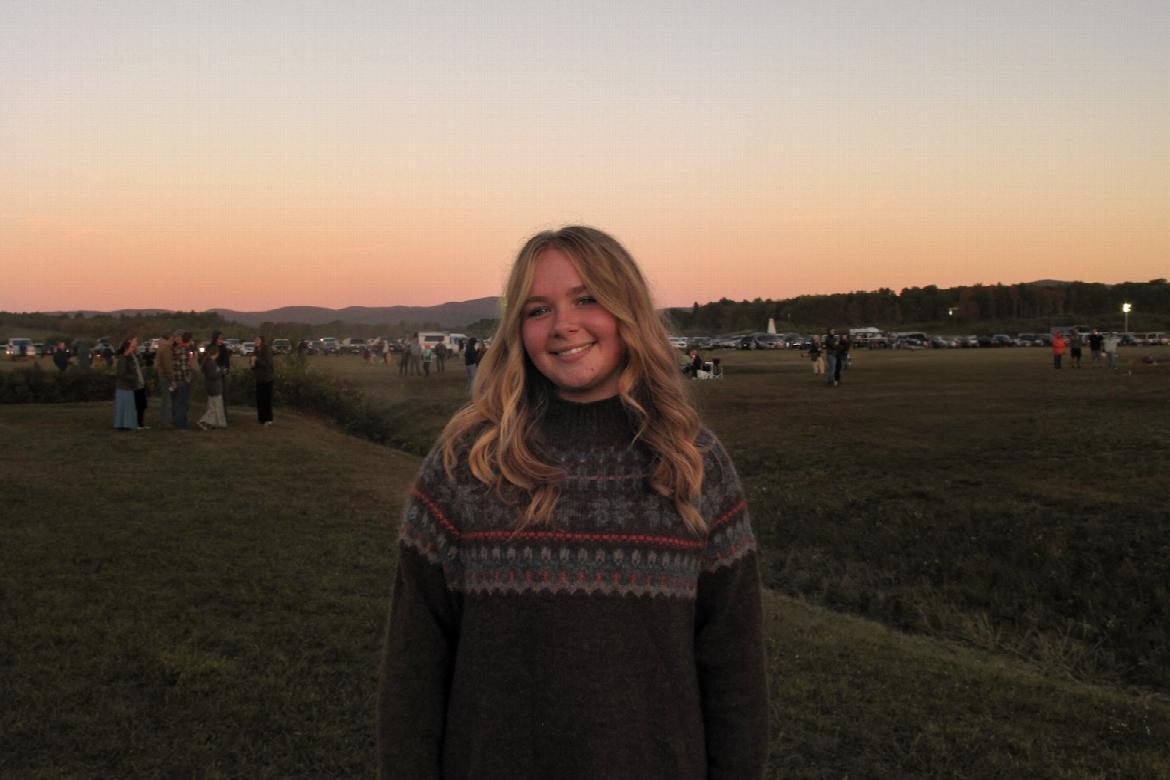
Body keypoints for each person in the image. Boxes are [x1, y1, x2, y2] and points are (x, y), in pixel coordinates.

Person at [377, 226, 767, 778]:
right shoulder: (467, 463)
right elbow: (413, 670)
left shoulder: (694, 463)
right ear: (518, 330)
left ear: (628, 309)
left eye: (587, 299)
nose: (563, 324)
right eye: (538, 310)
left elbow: (735, 669)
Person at [113, 338, 143, 431]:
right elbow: (121, 374)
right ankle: (123, 424)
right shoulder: (123, 359)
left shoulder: (128, 358)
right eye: (131, 347)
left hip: (127, 386)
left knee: (127, 406)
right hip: (124, 387)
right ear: (126, 348)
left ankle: (125, 424)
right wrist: (132, 377)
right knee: (124, 406)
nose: (133, 349)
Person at [197, 346, 227, 430]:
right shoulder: (210, 363)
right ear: (216, 353)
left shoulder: (208, 362)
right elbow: (213, 375)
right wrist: (221, 372)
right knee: (214, 407)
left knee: (213, 406)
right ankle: (204, 421)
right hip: (214, 387)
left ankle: (214, 423)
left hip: (211, 387)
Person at [173, 331, 196, 428]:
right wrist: (188, 378)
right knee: (182, 402)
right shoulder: (183, 350)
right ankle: (181, 423)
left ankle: (179, 421)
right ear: (189, 340)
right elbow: (184, 367)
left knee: (179, 402)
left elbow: (189, 359)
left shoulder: (178, 349)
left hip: (177, 379)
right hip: (182, 380)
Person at [155, 333, 177, 429]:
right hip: (165, 376)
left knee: (164, 400)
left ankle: (163, 421)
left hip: (162, 375)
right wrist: (172, 378)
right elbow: (168, 366)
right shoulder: (166, 349)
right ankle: (166, 422)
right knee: (167, 400)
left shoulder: (161, 348)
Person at [252, 334, 275, 425]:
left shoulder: (267, 350)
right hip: (259, 379)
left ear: (262, 341)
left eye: (257, 340)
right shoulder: (255, 350)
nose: (256, 342)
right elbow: (254, 366)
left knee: (267, 400)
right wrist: (252, 363)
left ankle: (268, 419)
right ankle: (261, 418)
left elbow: (268, 364)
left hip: (267, 378)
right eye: (255, 340)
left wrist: (257, 360)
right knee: (259, 399)